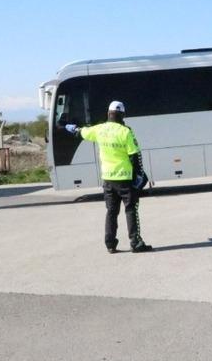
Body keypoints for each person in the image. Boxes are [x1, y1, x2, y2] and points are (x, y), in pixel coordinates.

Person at [65, 101, 153, 253]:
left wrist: (72, 128)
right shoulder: (126, 131)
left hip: (108, 179)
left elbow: (81, 132)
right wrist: (139, 177)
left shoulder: (100, 129)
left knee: (111, 211)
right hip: (125, 179)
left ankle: (110, 244)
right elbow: (135, 155)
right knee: (131, 209)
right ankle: (135, 242)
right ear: (123, 115)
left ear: (108, 114)